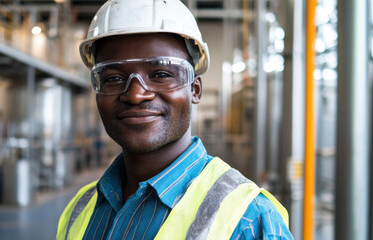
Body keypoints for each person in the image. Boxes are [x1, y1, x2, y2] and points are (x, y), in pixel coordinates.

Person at [57, 0, 294, 239]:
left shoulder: (250, 221)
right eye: (113, 78)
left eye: (161, 74)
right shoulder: (81, 209)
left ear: (195, 89)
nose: (136, 94)